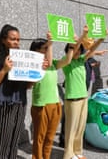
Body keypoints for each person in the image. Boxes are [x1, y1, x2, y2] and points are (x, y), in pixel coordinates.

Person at [0, 24, 47, 159]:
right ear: (3, 40)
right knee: (2, 145)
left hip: (20, 104)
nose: (16, 42)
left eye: (18, 40)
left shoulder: (22, 60)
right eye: (13, 39)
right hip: (2, 107)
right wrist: (4, 70)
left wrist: (39, 71)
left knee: (13, 144)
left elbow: (28, 86)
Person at [61, 25, 106, 159]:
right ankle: (68, 155)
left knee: (80, 128)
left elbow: (92, 49)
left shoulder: (81, 60)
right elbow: (73, 49)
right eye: (76, 49)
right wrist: (82, 35)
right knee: (71, 129)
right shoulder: (67, 62)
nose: (78, 52)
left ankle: (78, 152)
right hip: (72, 100)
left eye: (80, 50)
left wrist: (102, 38)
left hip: (83, 98)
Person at [29, 31, 75, 159]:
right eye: (44, 48)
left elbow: (67, 60)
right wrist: (51, 42)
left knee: (49, 137)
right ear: (35, 51)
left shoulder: (53, 64)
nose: (47, 51)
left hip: (55, 104)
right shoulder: (33, 65)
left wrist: (71, 46)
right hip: (41, 105)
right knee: (39, 137)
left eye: (47, 48)